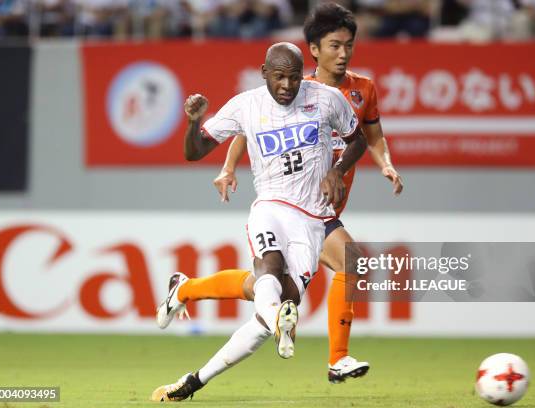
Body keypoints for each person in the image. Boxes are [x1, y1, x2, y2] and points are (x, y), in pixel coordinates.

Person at [173, 2, 404, 384]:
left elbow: (367, 138)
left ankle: (186, 291)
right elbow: (248, 129)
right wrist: (228, 166)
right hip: (288, 204)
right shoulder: (280, 94)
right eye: (335, 45)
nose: (343, 53)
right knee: (345, 262)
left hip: (319, 210)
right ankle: (338, 358)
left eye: (349, 45)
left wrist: (377, 165)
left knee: (269, 291)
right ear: (314, 48)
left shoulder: (355, 92)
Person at [151, 42, 367, 402]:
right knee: (269, 268)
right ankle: (299, 332)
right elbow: (194, 152)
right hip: (270, 206)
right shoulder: (246, 105)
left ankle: (194, 376)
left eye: (294, 78)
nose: (286, 85)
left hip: (312, 221)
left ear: (304, 75)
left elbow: (357, 141)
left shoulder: (327, 99)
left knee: (269, 306)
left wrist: (338, 169)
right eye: (279, 76)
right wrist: (193, 123)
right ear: (263, 72)